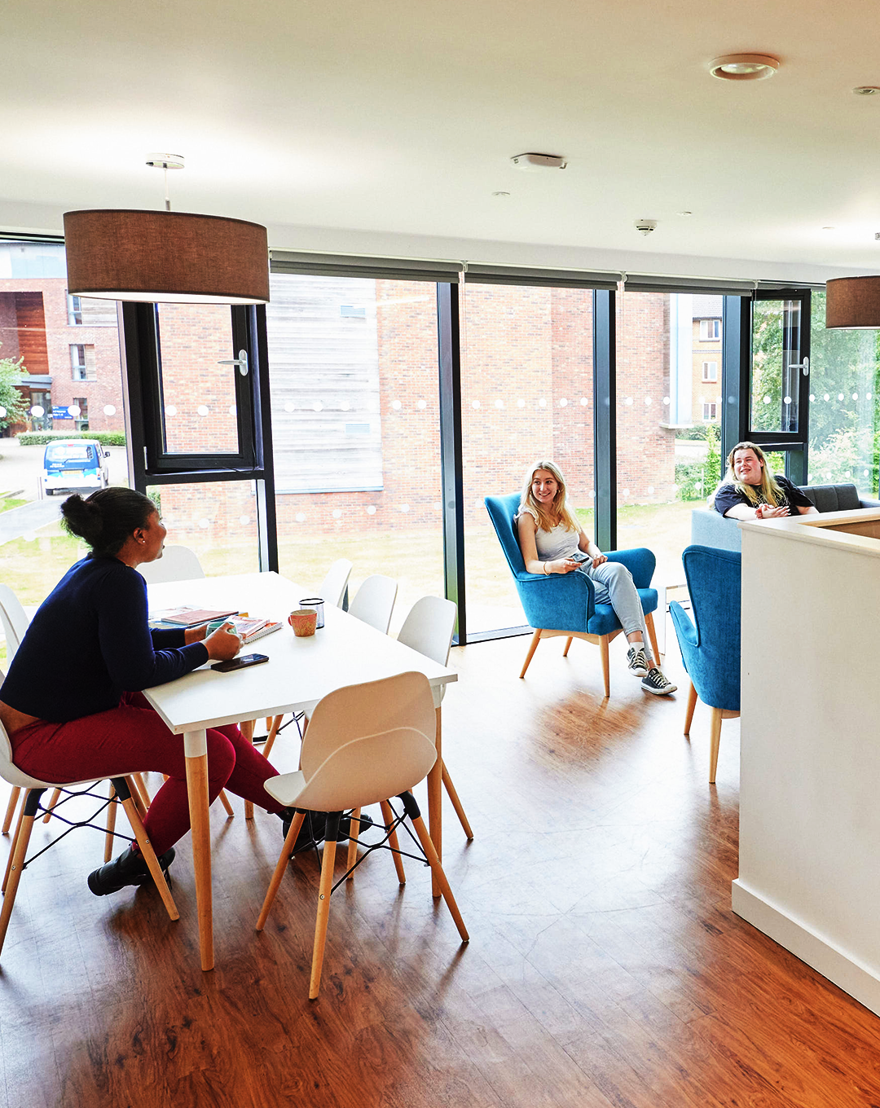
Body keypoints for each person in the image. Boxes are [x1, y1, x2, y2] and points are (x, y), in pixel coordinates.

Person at [0, 487, 308, 898]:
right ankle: (143, 857)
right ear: (139, 535)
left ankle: (298, 816)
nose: (165, 529)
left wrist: (187, 635)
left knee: (208, 722)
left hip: (69, 707)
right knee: (214, 754)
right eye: (157, 521)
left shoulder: (92, 569)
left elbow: (126, 640)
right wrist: (205, 650)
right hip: (42, 737)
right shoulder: (120, 581)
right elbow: (135, 672)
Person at [515, 460, 676, 696]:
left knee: (619, 571)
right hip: (568, 581)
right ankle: (649, 667)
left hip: (586, 564)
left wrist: (596, 553)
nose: (542, 488)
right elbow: (529, 563)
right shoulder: (528, 517)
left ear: (558, 485)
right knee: (626, 594)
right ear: (530, 487)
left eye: (548, 481)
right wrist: (554, 566)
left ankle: (638, 654)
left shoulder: (564, 508)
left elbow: (585, 543)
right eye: (536, 482)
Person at [711, 441, 818, 521]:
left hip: (798, 532)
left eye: (748, 460)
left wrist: (821, 527)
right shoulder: (728, 491)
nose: (743, 464)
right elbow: (740, 511)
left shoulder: (781, 482)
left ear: (761, 462)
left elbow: (807, 509)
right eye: (738, 462)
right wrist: (762, 513)